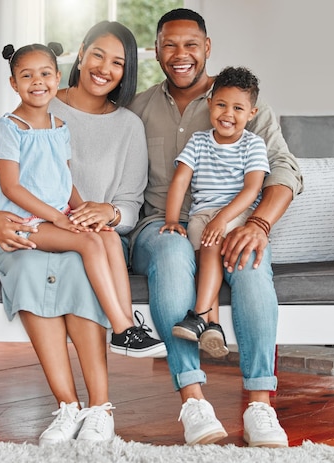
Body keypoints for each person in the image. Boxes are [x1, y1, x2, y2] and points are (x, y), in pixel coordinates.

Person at [128, 9, 303, 447]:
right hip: (160, 224)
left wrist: (259, 223)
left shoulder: (239, 103)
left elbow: (285, 172)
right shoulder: (138, 110)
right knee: (171, 257)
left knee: (250, 262)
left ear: (207, 48)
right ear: (156, 51)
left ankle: (260, 406)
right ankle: (193, 401)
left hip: (233, 223)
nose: (180, 54)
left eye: (191, 44)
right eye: (169, 44)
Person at [0, 21, 156, 445]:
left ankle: (100, 407)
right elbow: (2, 185)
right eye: (98, 54)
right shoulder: (36, 108)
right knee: (26, 267)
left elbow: (128, 202)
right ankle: (67, 406)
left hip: (80, 228)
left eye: (118, 62)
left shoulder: (128, 126)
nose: (104, 68)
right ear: (79, 54)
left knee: (81, 267)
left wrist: (104, 213)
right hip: (32, 228)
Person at [0, 42, 165, 359]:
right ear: (14, 83)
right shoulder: (9, 128)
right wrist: (57, 218)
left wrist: (82, 211)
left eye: (44, 74)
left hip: (57, 214)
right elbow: (10, 188)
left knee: (107, 237)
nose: (37, 82)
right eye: (27, 76)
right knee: (90, 244)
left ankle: (127, 329)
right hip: (27, 222)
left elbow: (63, 179)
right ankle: (121, 326)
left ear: (56, 77)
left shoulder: (58, 127)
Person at [160, 66, 269, 360]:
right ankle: (214, 327)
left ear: (252, 113)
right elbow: (180, 182)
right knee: (206, 262)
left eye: (238, 108)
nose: (227, 114)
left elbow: (251, 190)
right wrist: (172, 220)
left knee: (211, 247)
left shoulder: (253, 145)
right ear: (210, 103)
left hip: (236, 215)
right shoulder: (198, 141)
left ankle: (197, 315)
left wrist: (222, 219)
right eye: (221, 104)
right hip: (200, 216)